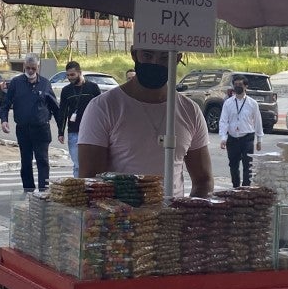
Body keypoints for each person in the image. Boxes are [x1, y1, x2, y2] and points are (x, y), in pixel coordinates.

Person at [78, 47, 213, 197]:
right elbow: (91, 182)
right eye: (147, 55)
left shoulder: (190, 111)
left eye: (164, 57)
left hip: (172, 218)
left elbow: (203, 181)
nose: (154, 63)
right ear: (134, 54)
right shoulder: (103, 107)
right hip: (121, 217)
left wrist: (192, 216)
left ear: (177, 58)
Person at [0, 53, 62, 193]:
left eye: (33, 68)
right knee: (26, 162)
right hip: (23, 130)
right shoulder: (16, 83)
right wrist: (4, 121)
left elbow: (55, 109)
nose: (31, 71)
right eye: (28, 68)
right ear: (24, 67)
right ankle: (28, 190)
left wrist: (61, 131)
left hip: (41, 129)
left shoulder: (45, 83)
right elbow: (5, 104)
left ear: (38, 67)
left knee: (43, 161)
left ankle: (43, 190)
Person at [218, 74, 264, 188]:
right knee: (233, 165)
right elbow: (223, 121)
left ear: (246, 86)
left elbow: (258, 121)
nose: (237, 87)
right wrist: (223, 138)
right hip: (232, 138)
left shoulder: (252, 103)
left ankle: (246, 188)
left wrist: (259, 140)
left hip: (247, 137)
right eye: (235, 84)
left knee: (247, 165)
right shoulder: (228, 103)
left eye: (240, 85)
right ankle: (236, 187)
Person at [57, 60, 101, 175]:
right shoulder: (66, 90)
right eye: (67, 75)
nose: (70, 77)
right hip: (74, 132)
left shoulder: (93, 87)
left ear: (79, 73)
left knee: (91, 163)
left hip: (91, 132)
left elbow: (100, 110)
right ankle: (79, 188)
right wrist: (60, 132)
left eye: (72, 75)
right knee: (77, 165)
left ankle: (90, 188)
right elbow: (63, 111)